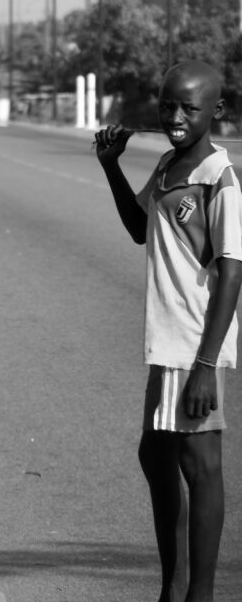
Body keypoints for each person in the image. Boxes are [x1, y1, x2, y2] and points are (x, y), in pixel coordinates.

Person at [94, 60, 242, 602]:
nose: (175, 116)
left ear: (217, 112)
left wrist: (206, 365)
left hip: (193, 343)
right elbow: (139, 230)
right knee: (156, 456)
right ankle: (173, 588)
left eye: (189, 107)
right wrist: (112, 166)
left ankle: (196, 593)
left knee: (200, 465)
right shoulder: (167, 165)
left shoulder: (217, 179)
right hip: (168, 339)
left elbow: (232, 270)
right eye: (167, 106)